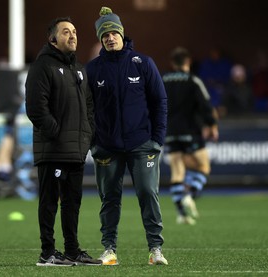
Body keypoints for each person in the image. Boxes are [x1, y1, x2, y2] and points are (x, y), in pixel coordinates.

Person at [86, 7, 168, 266]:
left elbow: (160, 102)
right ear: (100, 39)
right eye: (105, 34)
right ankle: (109, 249)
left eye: (113, 32)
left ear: (122, 34)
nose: (110, 38)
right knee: (109, 198)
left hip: (141, 143)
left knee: (147, 192)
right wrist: (93, 142)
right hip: (107, 146)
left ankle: (155, 249)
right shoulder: (93, 69)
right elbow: (86, 109)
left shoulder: (143, 63)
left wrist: (157, 140)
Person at [25, 17, 100, 266]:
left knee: (72, 204)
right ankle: (47, 252)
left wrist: (87, 132)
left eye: (75, 31)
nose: (73, 35)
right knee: (49, 202)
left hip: (76, 149)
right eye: (66, 32)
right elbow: (36, 109)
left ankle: (72, 251)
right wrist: (56, 132)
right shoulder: (42, 66)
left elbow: (88, 106)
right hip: (53, 149)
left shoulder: (78, 69)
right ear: (52, 39)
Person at [162, 47, 219, 225]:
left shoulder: (163, 80)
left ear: (172, 63)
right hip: (191, 131)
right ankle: (190, 194)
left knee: (177, 172)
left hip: (170, 132)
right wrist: (211, 125)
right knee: (204, 166)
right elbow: (206, 105)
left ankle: (181, 214)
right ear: (188, 62)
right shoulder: (193, 81)